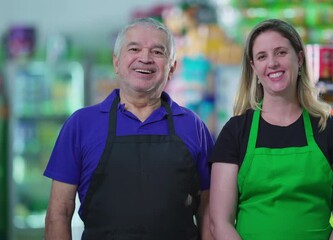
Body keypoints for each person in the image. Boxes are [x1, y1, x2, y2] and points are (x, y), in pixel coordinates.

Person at [44, 17, 214, 240]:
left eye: (158, 52)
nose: (145, 58)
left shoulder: (194, 127)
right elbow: (59, 212)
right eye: (134, 49)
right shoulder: (80, 125)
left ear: (171, 68)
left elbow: (208, 213)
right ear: (116, 62)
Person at [209, 19, 333, 240]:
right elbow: (219, 222)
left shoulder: (328, 128)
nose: (272, 63)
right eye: (262, 56)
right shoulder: (236, 131)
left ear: (299, 59)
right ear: (254, 68)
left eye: (280, 53)